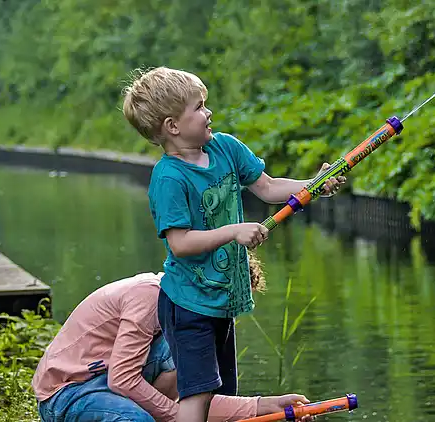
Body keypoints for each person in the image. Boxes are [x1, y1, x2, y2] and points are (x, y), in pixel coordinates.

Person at [121, 66, 347, 422]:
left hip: (220, 301)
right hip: (188, 304)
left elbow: (269, 187)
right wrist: (233, 231)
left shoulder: (225, 148)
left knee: (224, 396)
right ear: (172, 126)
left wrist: (313, 183)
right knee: (197, 398)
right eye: (198, 107)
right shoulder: (169, 178)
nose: (208, 112)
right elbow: (180, 244)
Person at [31, 270, 315, 422]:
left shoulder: (184, 319)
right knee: (137, 420)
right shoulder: (148, 299)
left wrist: (265, 405)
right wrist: (175, 416)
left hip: (115, 386)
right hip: (68, 392)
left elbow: (190, 405)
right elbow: (123, 380)